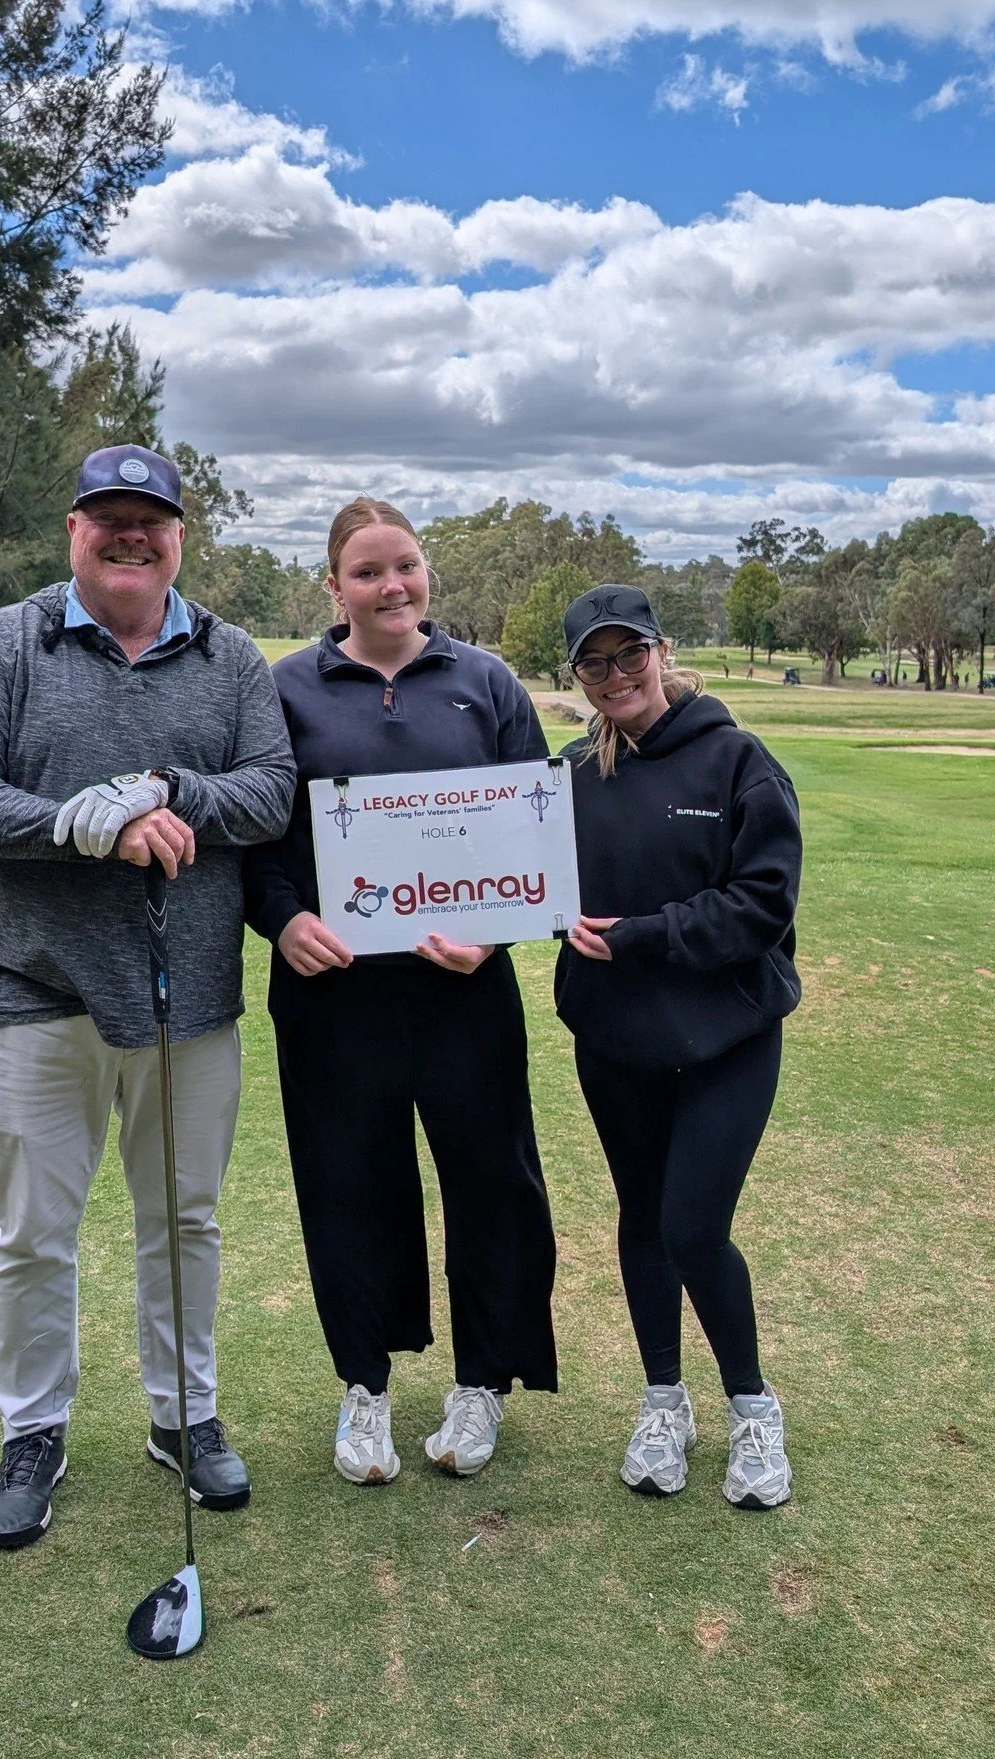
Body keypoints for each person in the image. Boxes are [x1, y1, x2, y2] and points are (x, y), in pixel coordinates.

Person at [0, 444, 295, 1548]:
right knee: (33, 1232)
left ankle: (184, 1416)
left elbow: (271, 793)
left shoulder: (231, 658)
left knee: (184, 1221)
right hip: (37, 996)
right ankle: (32, 1428)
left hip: (192, 1003)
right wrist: (82, 822)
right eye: (108, 519)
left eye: (153, 521)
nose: (131, 536)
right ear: (72, 531)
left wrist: (165, 791)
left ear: (181, 535)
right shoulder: (4, 643)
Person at [245, 498, 557, 1487]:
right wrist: (284, 918)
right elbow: (252, 839)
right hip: (334, 995)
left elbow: (539, 832)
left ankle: (481, 1385)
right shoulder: (286, 689)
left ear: (427, 575)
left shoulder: (486, 683)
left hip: (464, 988)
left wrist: (495, 928)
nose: (393, 586)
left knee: (490, 1180)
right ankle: (365, 1390)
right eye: (370, 570)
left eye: (407, 566)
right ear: (333, 585)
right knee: (348, 1184)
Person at [556, 584, 801, 1510]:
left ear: (662, 652)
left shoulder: (738, 761)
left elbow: (763, 905)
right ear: (576, 675)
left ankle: (751, 1406)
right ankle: (666, 1400)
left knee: (692, 1225)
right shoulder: (572, 773)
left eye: (630, 655)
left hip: (728, 1035)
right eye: (595, 661)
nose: (615, 675)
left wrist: (646, 934)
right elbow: (513, 869)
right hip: (616, 1038)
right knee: (641, 1217)